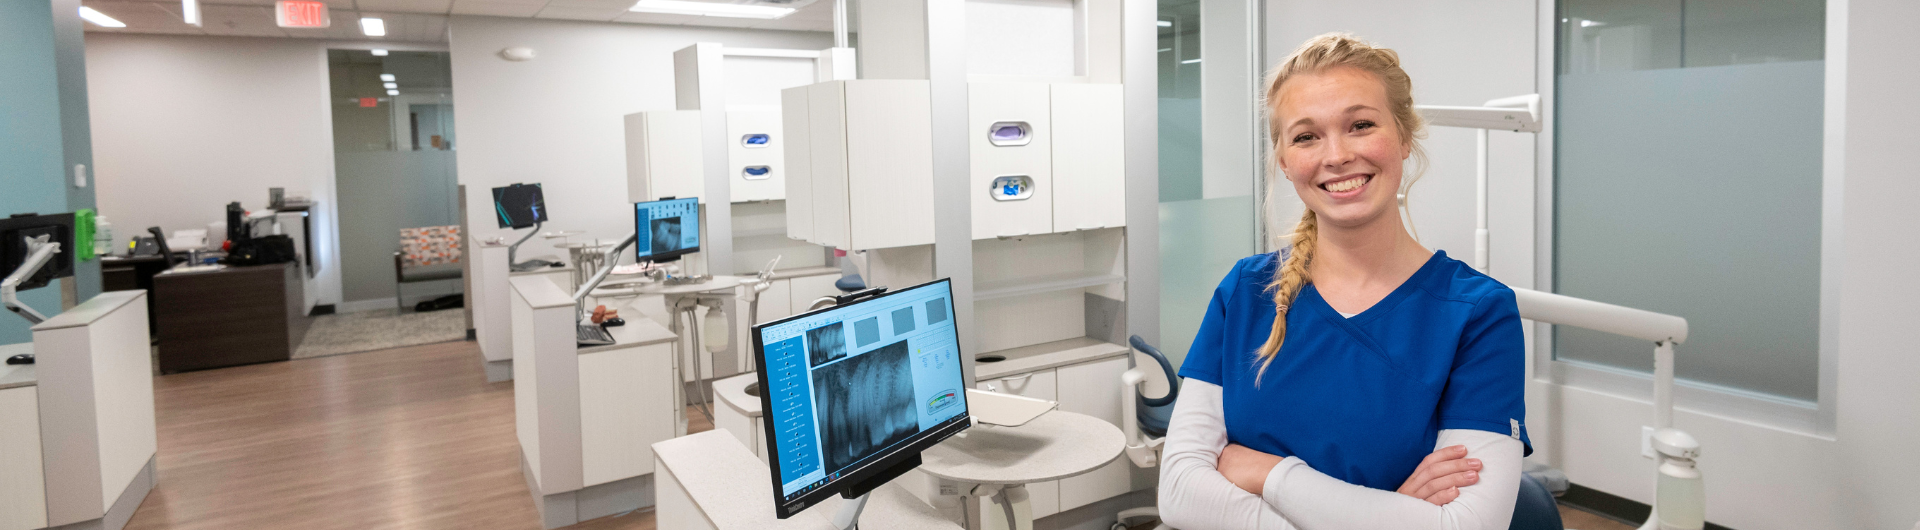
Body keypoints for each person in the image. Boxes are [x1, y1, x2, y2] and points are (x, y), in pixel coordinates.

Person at [1156, 33, 1560, 530]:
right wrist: (1385, 510)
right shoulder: (1245, 291)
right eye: (1306, 136)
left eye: (1361, 125)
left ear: (1405, 136)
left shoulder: (1476, 313)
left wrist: (1270, 475)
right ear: (1284, 160)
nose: (1338, 154)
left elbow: (1467, 526)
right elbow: (1178, 493)